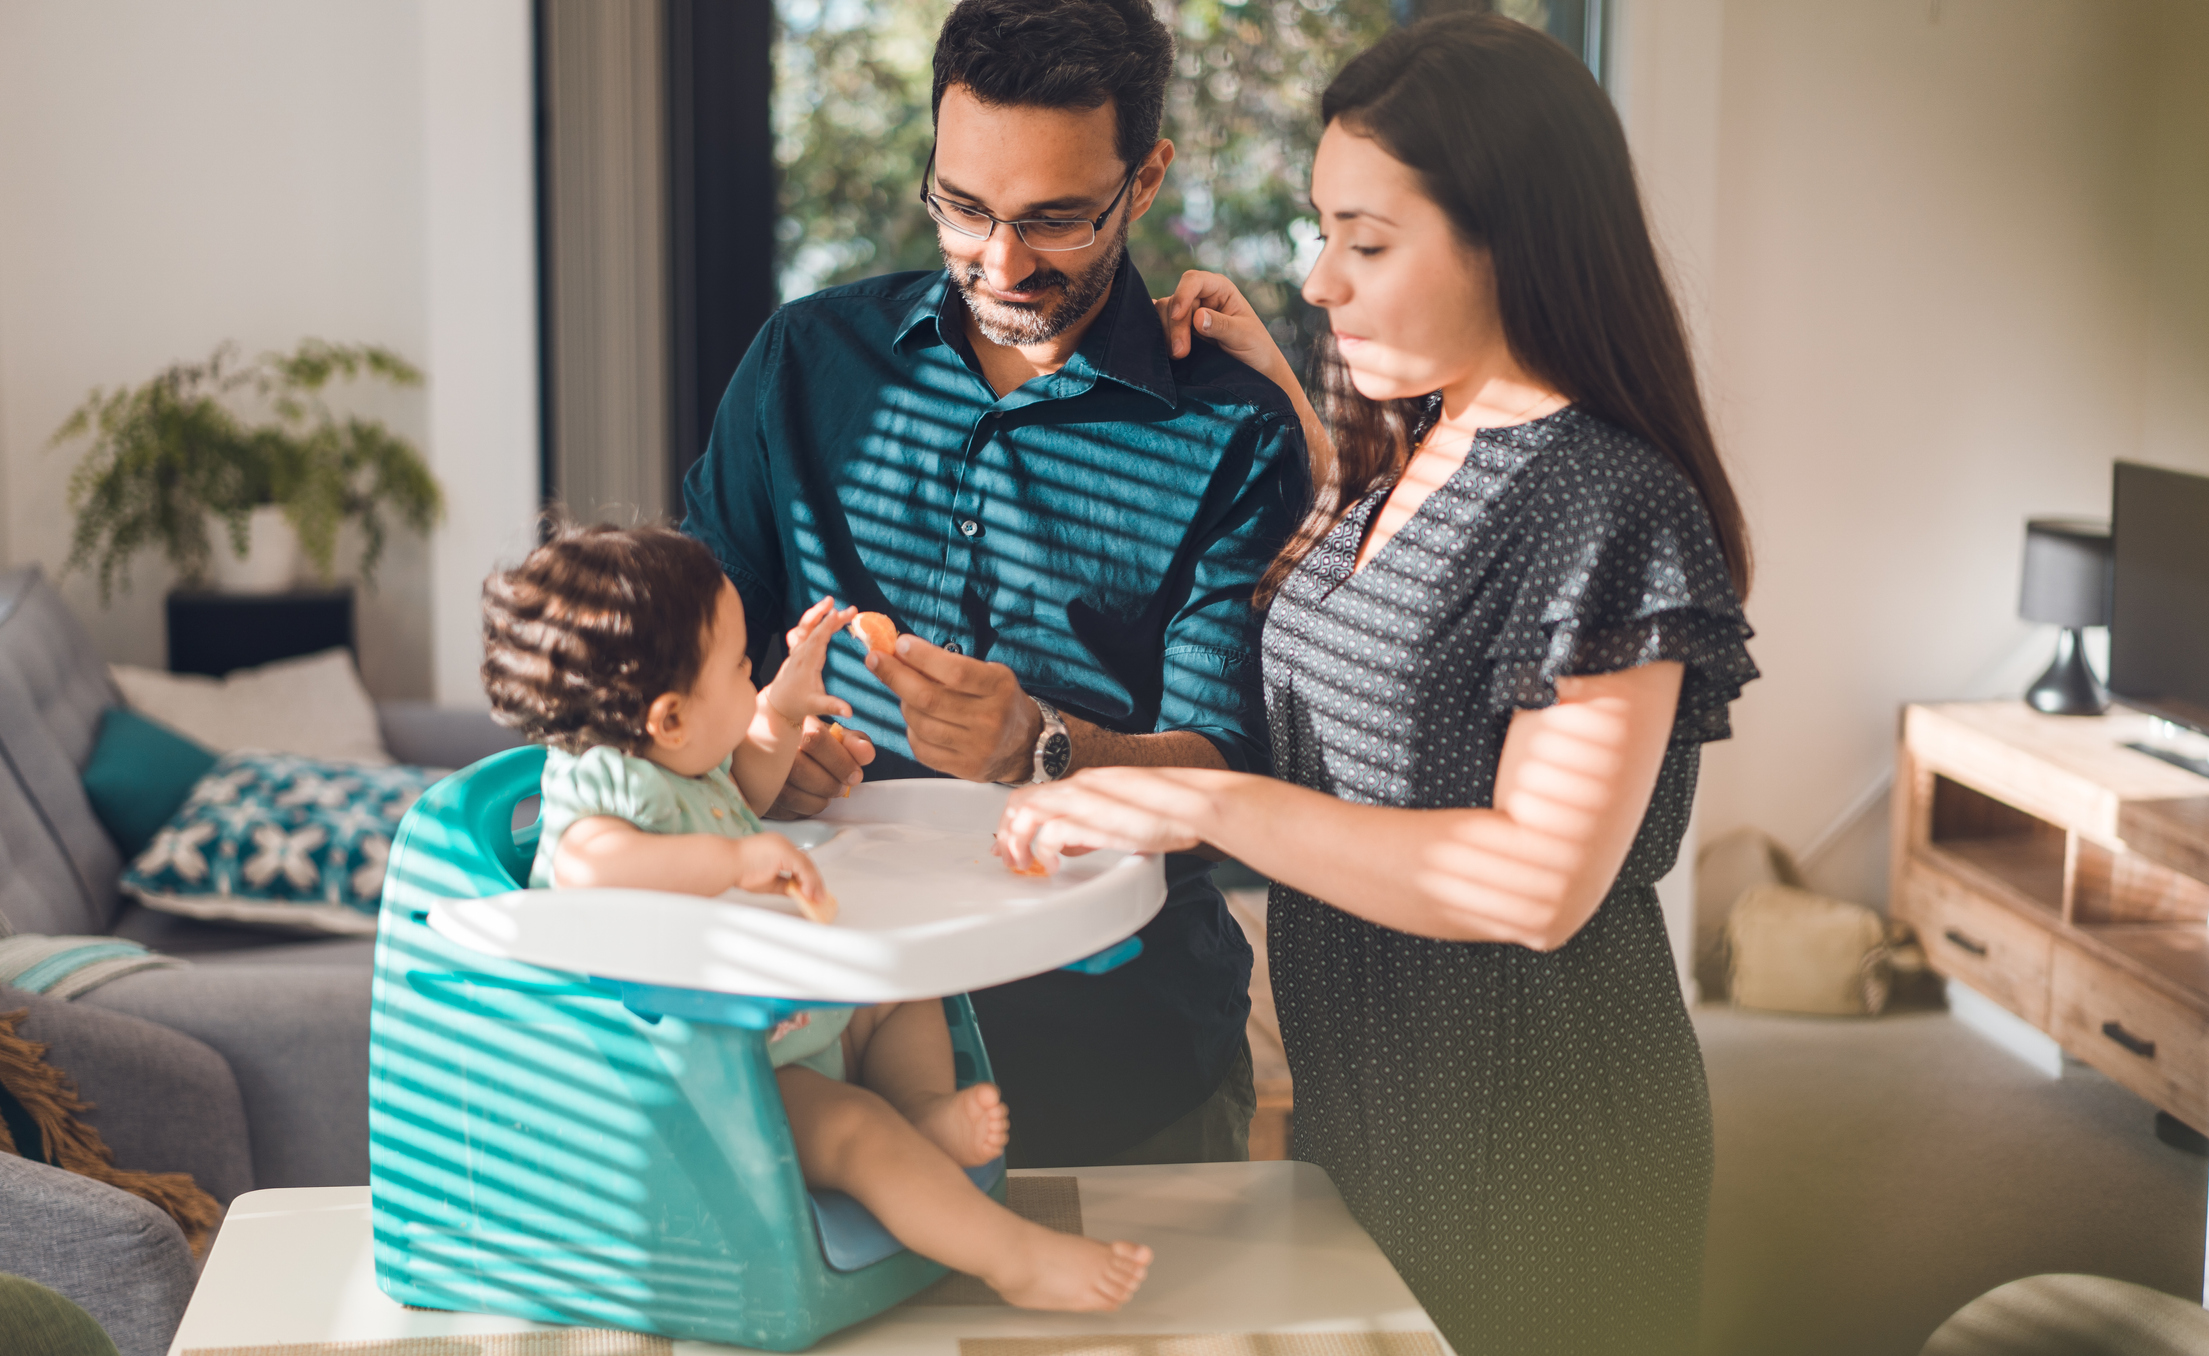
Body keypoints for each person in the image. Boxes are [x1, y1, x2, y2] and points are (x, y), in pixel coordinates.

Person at [995, 13, 1759, 1353]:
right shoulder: (1420, 441)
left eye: (1365, 243)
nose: (1320, 281)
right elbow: (1385, 629)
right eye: (1320, 233)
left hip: (1537, 1139)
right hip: (1372, 1096)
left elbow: (1535, 883)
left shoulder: (1608, 504)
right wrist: (1292, 396)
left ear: (1512, 239)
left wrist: (1202, 804)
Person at [682, 0, 1311, 1168]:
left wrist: (1042, 747)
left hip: (1122, 1072)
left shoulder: (1233, 431)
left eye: (1055, 218)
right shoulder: (804, 363)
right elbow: (676, 656)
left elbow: (1224, 772)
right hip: (815, 1059)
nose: (1000, 261)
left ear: (1145, 179)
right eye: (962, 207)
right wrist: (750, 747)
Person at [478, 523, 1153, 1311]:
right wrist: (733, 862)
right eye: (740, 667)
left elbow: (749, 786)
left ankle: (922, 1114)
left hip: (781, 1019)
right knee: (857, 1132)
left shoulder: (684, 759)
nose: (750, 675)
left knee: (903, 992)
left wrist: (780, 706)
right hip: (712, 1078)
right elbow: (587, 867)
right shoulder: (604, 789)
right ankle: (1015, 1261)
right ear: (668, 719)